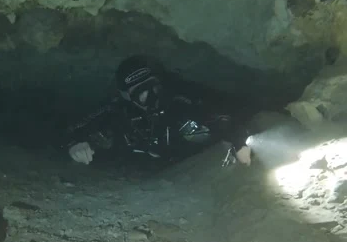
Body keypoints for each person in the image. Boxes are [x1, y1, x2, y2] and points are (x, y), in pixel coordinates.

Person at [65, 55, 252, 167]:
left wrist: (236, 137)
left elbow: (226, 110)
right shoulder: (118, 110)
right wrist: (75, 143)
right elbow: (73, 126)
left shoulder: (180, 99)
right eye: (142, 94)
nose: (153, 97)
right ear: (127, 97)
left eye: (155, 88)